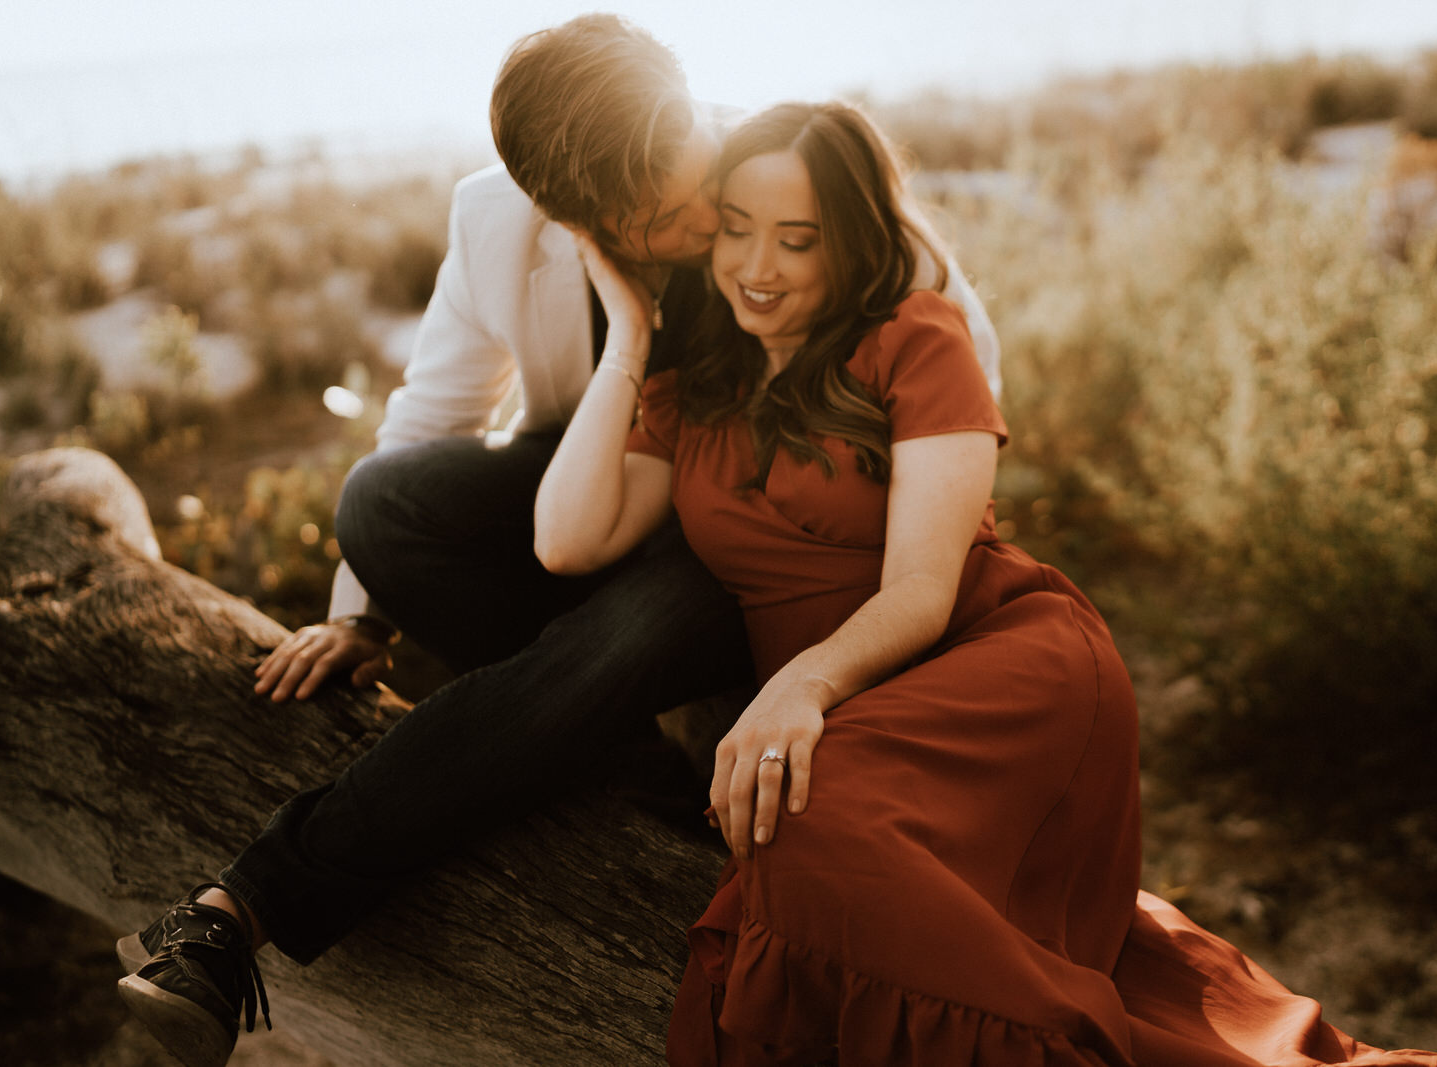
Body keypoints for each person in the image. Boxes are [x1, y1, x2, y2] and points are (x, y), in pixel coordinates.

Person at [113, 15, 999, 1067]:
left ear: (689, 114)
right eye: (637, 222)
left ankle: (235, 910)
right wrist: (361, 614)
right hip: (599, 488)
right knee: (382, 503)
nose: (674, 231)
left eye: (684, 200)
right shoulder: (496, 224)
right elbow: (437, 409)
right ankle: (616, 747)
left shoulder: (788, 183)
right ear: (562, 210)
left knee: (624, 632)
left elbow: (951, 371)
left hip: (756, 539)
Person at [535, 101, 1437, 1066]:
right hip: (862, 699)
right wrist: (626, 335)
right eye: (734, 230)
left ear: (850, 242)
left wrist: (798, 686)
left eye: (797, 240)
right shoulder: (697, 388)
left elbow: (923, 591)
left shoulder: (913, 337)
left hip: (992, 661)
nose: (757, 268)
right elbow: (568, 539)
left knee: (808, 833)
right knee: (837, 851)